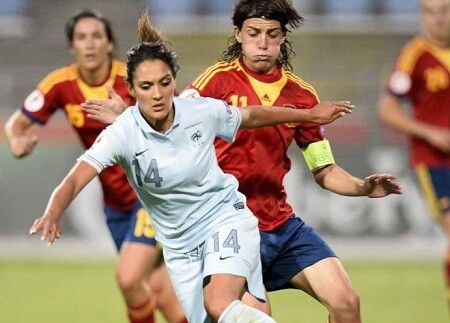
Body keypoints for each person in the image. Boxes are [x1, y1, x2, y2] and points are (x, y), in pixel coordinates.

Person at [28, 11, 357, 323]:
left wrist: (308, 114)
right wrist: (53, 211)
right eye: (146, 87)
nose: (157, 94)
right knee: (206, 313)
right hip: (182, 245)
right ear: (131, 91)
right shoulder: (122, 133)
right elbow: (76, 177)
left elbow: (253, 116)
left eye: (164, 83)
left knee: (219, 303)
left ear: (174, 83)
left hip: (226, 220)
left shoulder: (199, 112)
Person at [180, 1, 403, 322]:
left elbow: (324, 169)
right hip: (226, 226)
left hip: (281, 225)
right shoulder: (214, 83)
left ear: (283, 37)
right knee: (254, 314)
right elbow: (175, 124)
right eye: (253, 33)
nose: (262, 43)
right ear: (238, 35)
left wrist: (362, 187)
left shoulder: (302, 95)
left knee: (347, 303)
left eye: (271, 34)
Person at [3, 9, 186, 323]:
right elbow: (15, 125)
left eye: (97, 36)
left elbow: (177, 118)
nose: (89, 44)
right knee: (158, 288)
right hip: (114, 204)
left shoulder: (133, 79)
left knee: (129, 278)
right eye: (81, 38)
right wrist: (17, 142)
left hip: (151, 196)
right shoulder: (61, 84)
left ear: (110, 44)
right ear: (72, 47)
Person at [378, 0, 450, 311]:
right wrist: (430, 132)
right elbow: (387, 108)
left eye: (444, 11)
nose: (438, 19)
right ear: (422, 15)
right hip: (435, 162)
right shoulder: (414, 55)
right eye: (430, 12)